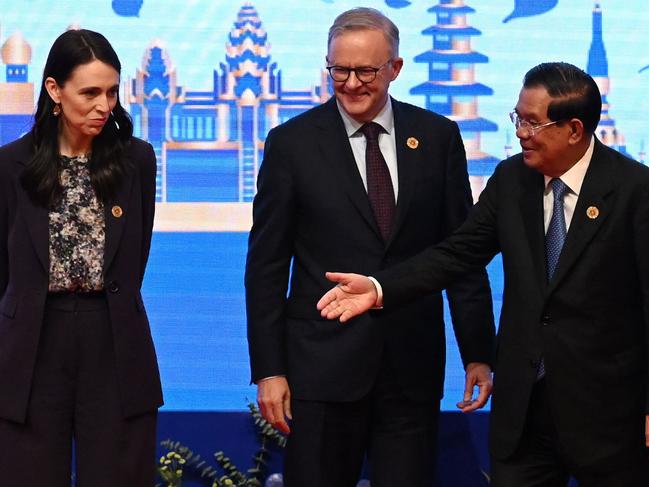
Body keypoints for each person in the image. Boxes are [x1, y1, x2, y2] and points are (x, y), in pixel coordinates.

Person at [317, 61, 649, 486]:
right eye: (517, 118)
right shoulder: (512, 181)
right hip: (523, 414)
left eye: (532, 123)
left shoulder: (634, 191)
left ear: (574, 129)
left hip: (607, 415)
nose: (520, 133)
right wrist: (381, 288)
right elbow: (457, 254)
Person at [245, 7, 495, 487]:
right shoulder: (291, 144)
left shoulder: (438, 138)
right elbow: (266, 268)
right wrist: (269, 370)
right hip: (320, 370)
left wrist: (478, 352)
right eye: (339, 70)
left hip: (410, 366)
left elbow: (462, 255)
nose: (352, 83)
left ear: (395, 69)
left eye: (366, 71)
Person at [0, 29, 162, 486]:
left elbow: (135, 260)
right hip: (31, 344)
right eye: (89, 92)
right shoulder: (9, 166)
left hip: (113, 340)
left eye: (112, 92)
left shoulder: (137, 161)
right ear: (54, 90)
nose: (104, 105)